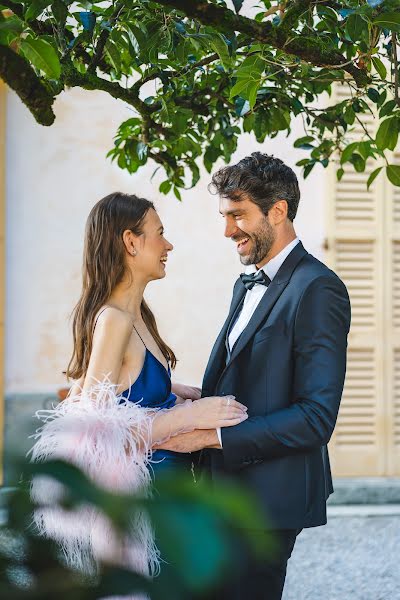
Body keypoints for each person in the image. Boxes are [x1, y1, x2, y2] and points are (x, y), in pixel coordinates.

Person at [155, 153, 351, 600]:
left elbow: (316, 417)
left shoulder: (318, 288)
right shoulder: (245, 282)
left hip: (269, 501)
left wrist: (209, 438)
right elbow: (253, 384)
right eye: (225, 216)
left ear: (277, 211)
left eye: (238, 215)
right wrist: (192, 399)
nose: (228, 231)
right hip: (226, 492)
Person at [29, 192, 248, 582]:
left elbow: (124, 389)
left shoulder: (138, 315)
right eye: (159, 234)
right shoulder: (113, 320)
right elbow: (92, 437)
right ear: (131, 242)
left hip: (171, 498)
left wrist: (174, 391)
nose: (168, 245)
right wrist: (188, 418)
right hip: (145, 507)